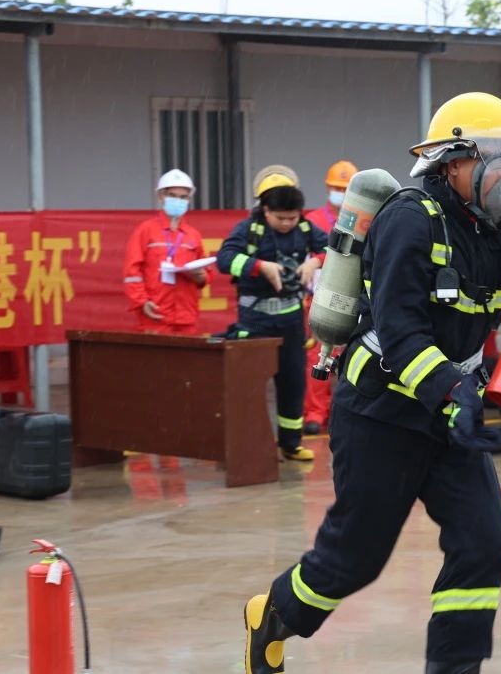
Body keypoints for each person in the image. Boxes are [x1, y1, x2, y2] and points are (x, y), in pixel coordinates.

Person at [242, 92, 501, 674]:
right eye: (497, 163)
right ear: (453, 162)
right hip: (382, 412)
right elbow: (401, 331)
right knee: (353, 561)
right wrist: (454, 393)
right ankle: (274, 614)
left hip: (452, 413)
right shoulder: (409, 220)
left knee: (484, 545)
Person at [217, 170, 327, 462]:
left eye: (292, 218)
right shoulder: (248, 230)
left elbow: (336, 248)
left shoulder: (304, 229)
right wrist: (259, 267)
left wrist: (315, 261)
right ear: (265, 210)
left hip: (291, 321)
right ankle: (242, 445)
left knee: (293, 383)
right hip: (254, 321)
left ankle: (290, 444)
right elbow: (224, 260)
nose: (288, 224)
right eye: (281, 218)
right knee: (248, 386)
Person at [303, 160, 359, 434]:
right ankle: (315, 413)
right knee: (318, 355)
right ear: (328, 188)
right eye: (337, 187)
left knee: (353, 356)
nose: (341, 192)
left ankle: (344, 411)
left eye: (346, 188)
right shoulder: (312, 221)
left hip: (354, 298)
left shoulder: (365, 221)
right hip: (318, 297)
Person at [123, 169, 210, 335]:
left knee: (187, 360)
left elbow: (206, 272)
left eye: (183, 197)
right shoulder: (145, 231)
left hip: (186, 316)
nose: (178, 200)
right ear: (161, 197)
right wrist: (141, 302)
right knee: (157, 360)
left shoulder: (193, 235)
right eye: (172, 195)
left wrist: (201, 276)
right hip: (155, 313)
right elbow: (131, 272)